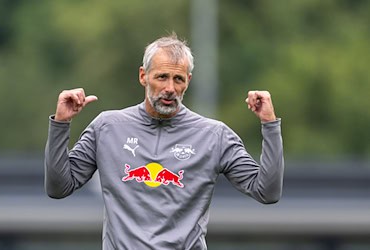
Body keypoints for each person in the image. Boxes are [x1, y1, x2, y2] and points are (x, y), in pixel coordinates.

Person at [44, 34, 284, 250]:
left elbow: (267, 191)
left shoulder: (214, 136)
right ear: (143, 76)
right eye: (162, 77)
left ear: (188, 81)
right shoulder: (107, 127)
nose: (170, 88)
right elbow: (58, 187)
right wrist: (61, 124)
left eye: (178, 79)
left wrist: (269, 124)